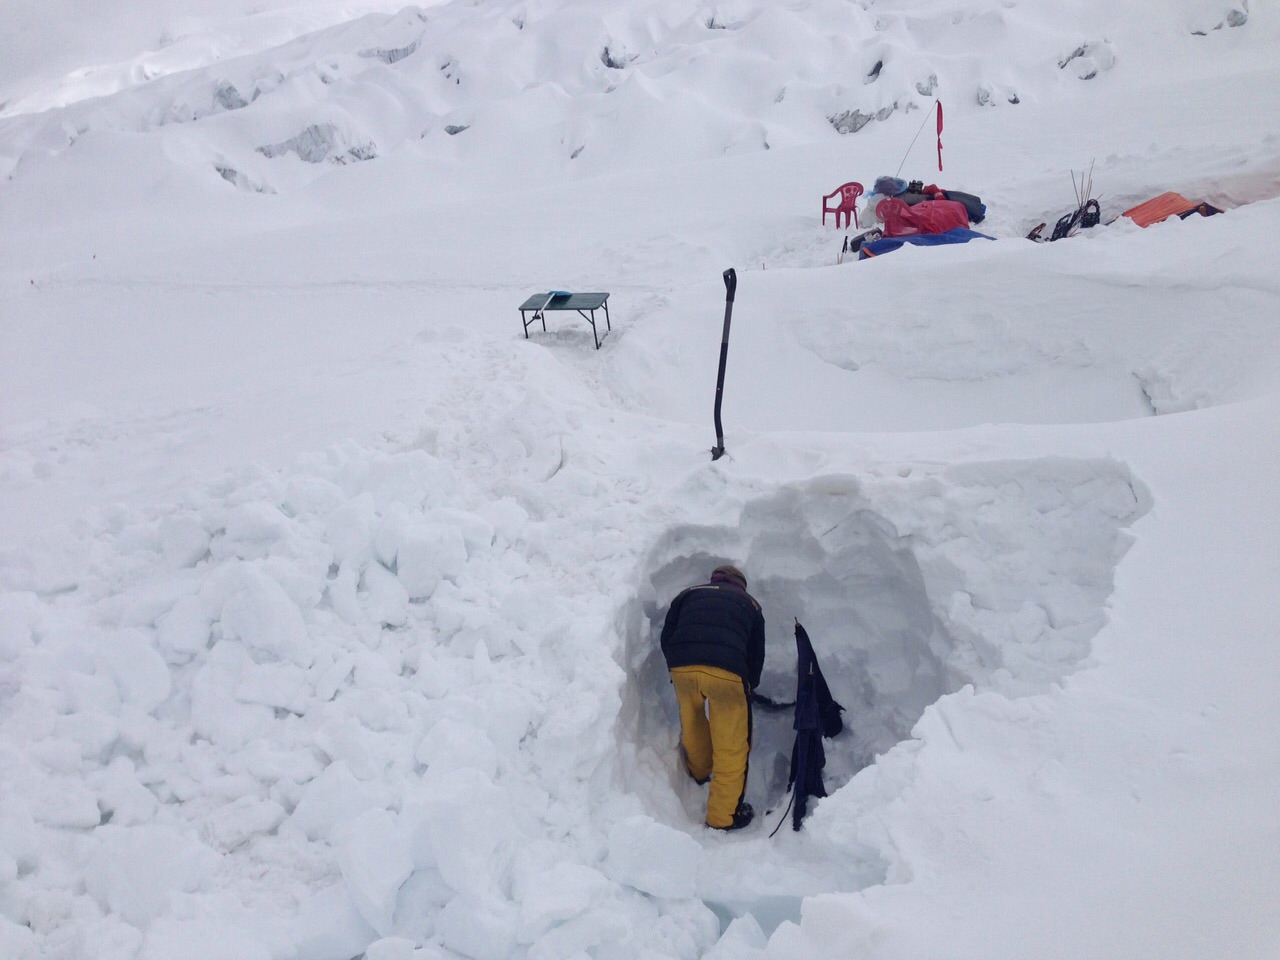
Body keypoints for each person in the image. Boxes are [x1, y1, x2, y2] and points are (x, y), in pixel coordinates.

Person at [660, 564, 766, 830]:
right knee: (732, 744)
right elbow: (756, 654)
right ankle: (723, 816)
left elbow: (668, 635)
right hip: (727, 672)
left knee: (692, 720)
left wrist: (676, 665)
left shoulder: (689, 594)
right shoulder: (750, 604)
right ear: (740, 586)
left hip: (683, 666)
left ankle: (699, 770)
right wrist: (750, 684)